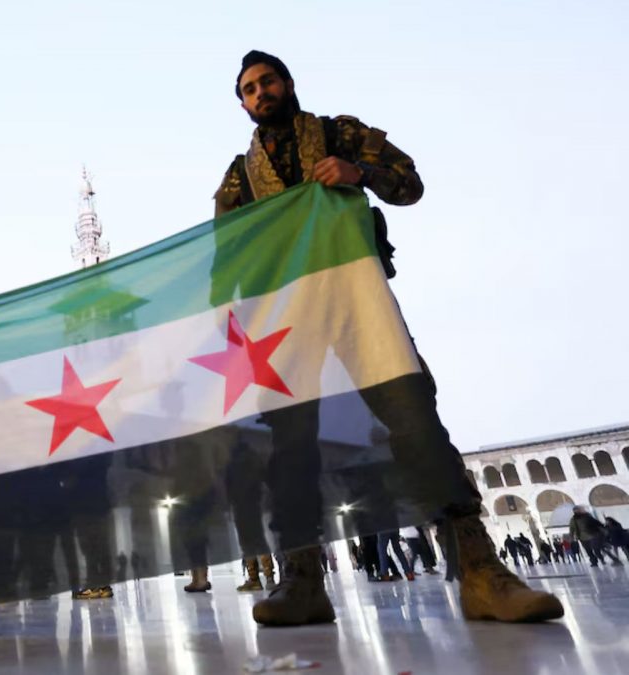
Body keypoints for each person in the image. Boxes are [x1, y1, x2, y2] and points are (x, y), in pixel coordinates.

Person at [210, 50, 563, 626]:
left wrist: (358, 174)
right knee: (289, 442)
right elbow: (227, 250)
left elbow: (409, 184)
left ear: (288, 82)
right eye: (248, 90)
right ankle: (301, 580)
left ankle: (479, 570)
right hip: (286, 313)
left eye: (267, 81)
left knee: (413, 418)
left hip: (356, 294)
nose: (260, 94)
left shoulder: (337, 134)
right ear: (243, 103)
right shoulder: (239, 174)